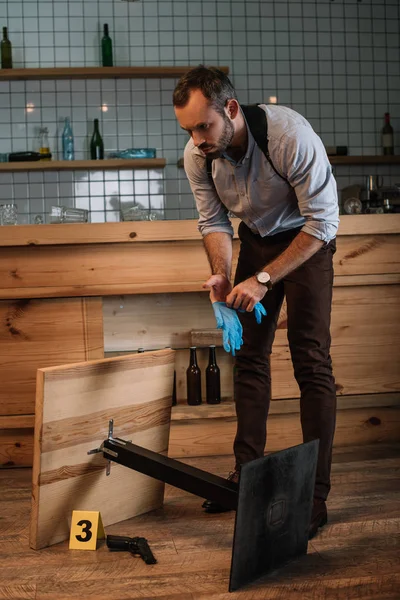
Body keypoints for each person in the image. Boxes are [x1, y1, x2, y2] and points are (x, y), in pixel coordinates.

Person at [173, 66, 339, 539]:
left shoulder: (289, 135)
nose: (198, 139)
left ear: (230, 109)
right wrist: (223, 277)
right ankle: (246, 475)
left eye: (204, 126)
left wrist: (264, 278)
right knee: (249, 359)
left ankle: (314, 494)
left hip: (307, 241)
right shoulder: (198, 155)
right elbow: (215, 224)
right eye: (188, 130)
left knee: (311, 360)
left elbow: (323, 222)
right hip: (258, 239)